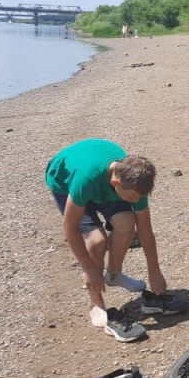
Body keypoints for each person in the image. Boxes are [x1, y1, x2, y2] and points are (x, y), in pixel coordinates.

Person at [45, 139, 168, 341]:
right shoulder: (85, 180)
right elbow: (70, 228)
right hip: (65, 184)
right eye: (130, 198)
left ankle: (113, 274)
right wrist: (89, 269)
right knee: (96, 241)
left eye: (138, 198)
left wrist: (155, 271)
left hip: (102, 184)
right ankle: (95, 302)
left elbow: (145, 230)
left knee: (127, 222)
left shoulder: (137, 185)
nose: (135, 202)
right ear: (115, 183)